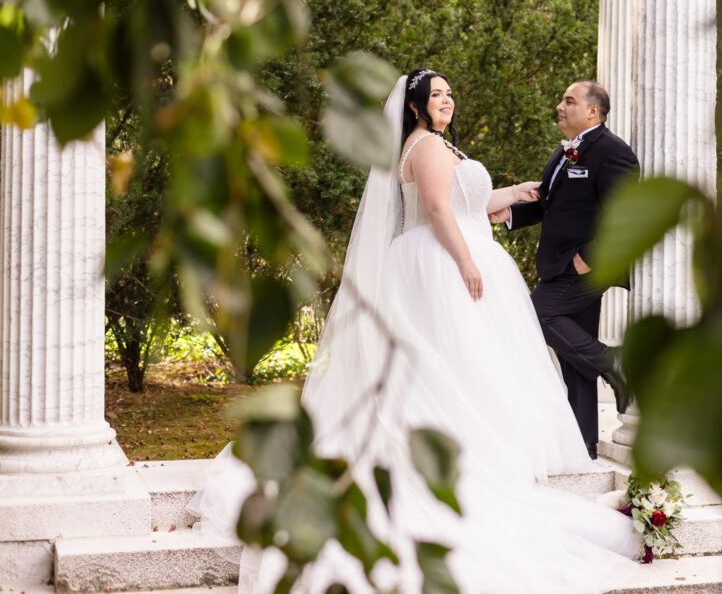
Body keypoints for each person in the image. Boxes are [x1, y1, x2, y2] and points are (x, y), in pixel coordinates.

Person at [188, 70, 640, 593]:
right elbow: (437, 209)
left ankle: (493, 444)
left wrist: (511, 193)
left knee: (471, 363)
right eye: (437, 95)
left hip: (461, 256)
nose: (447, 100)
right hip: (438, 264)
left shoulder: (445, 146)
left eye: (450, 92)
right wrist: (466, 260)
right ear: (417, 106)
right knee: (444, 362)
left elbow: (471, 206)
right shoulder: (423, 146)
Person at [489, 81, 638, 460]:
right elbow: (549, 206)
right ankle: (583, 444)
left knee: (534, 315)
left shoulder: (613, 152)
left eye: (568, 101)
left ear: (593, 111)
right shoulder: (563, 152)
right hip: (560, 264)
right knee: (575, 356)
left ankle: (614, 362)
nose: (559, 106)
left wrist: (587, 257)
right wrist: (508, 213)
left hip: (589, 267)